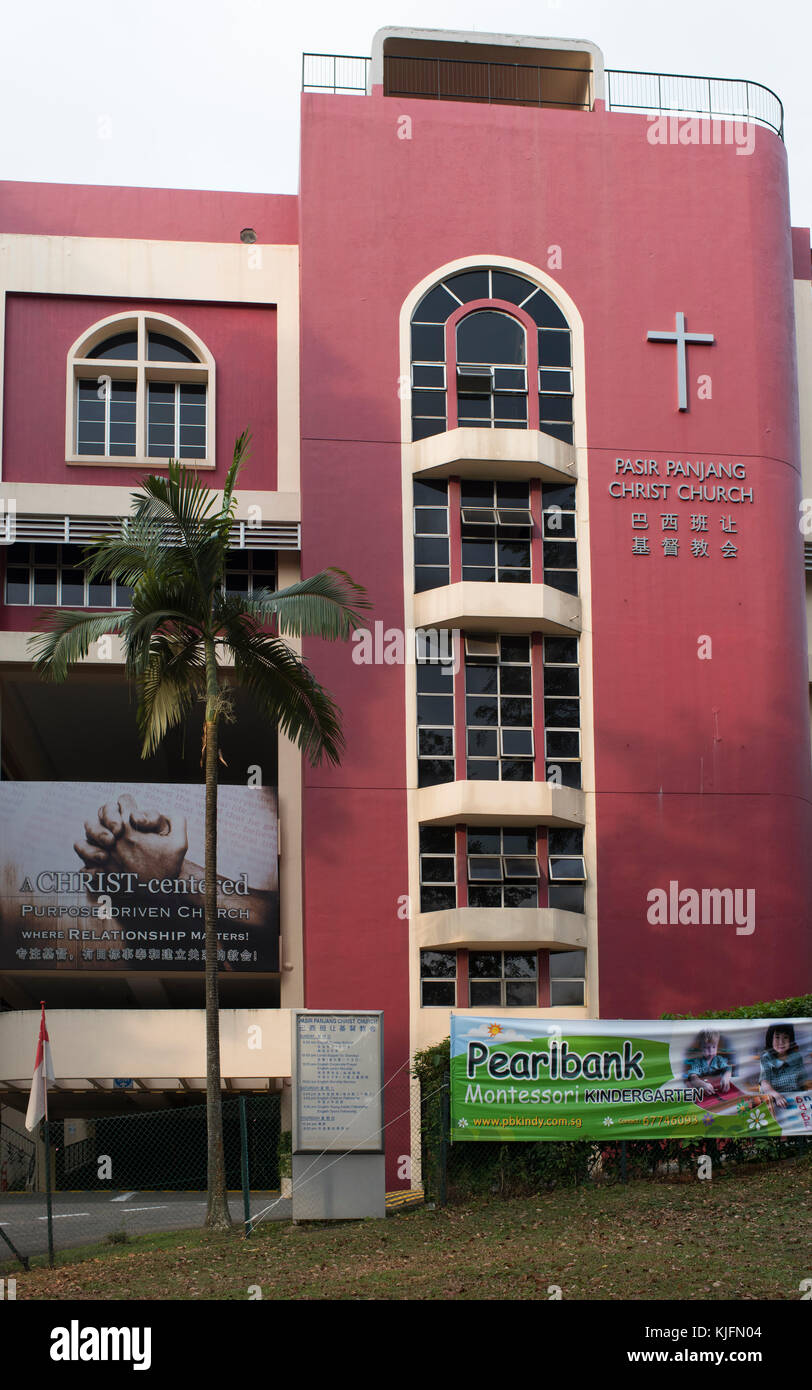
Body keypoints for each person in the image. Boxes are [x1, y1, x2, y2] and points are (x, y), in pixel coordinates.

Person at [759, 1025, 807, 1108]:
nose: (781, 1042)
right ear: (770, 1039)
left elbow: (802, 1082)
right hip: (773, 1098)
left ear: (790, 1040)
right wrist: (776, 1095)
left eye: (785, 1037)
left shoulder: (797, 1057)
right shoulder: (766, 1057)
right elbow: (764, 1082)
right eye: (777, 1037)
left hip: (796, 1098)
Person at [683, 1029, 733, 1097]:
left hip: (718, 1089)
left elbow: (728, 1069)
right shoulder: (698, 1061)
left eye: (714, 1047)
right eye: (706, 1047)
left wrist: (726, 1078)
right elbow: (693, 1077)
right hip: (704, 1090)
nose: (711, 1051)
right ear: (701, 1049)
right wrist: (703, 1084)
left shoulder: (718, 1059)